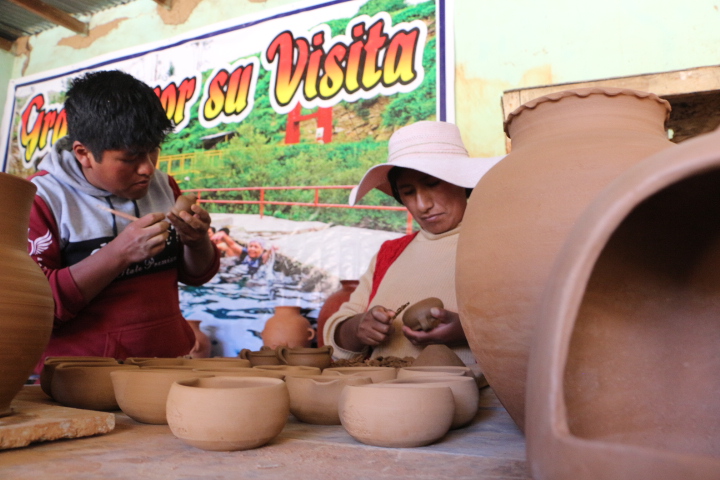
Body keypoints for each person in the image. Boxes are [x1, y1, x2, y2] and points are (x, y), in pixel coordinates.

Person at [27, 70, 220, 366]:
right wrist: (119, 253)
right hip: (79, 376)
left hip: (166, 361)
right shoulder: (41, 198)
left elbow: (195, 275)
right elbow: (38, 308)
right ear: (84, 153)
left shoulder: (164, 185)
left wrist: (196, 242)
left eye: (153, 151)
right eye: (130, 158)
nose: (146, 168)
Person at [323, 121, 504, 364]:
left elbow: (537, 327)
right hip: (378, 395)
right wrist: (358, 328)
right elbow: (335, 338)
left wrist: (467, 332)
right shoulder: (390, 254)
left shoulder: (503, 244)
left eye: (432, 184)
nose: (422, 205)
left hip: (476, 400)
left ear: (462, 181)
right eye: (408, 192)